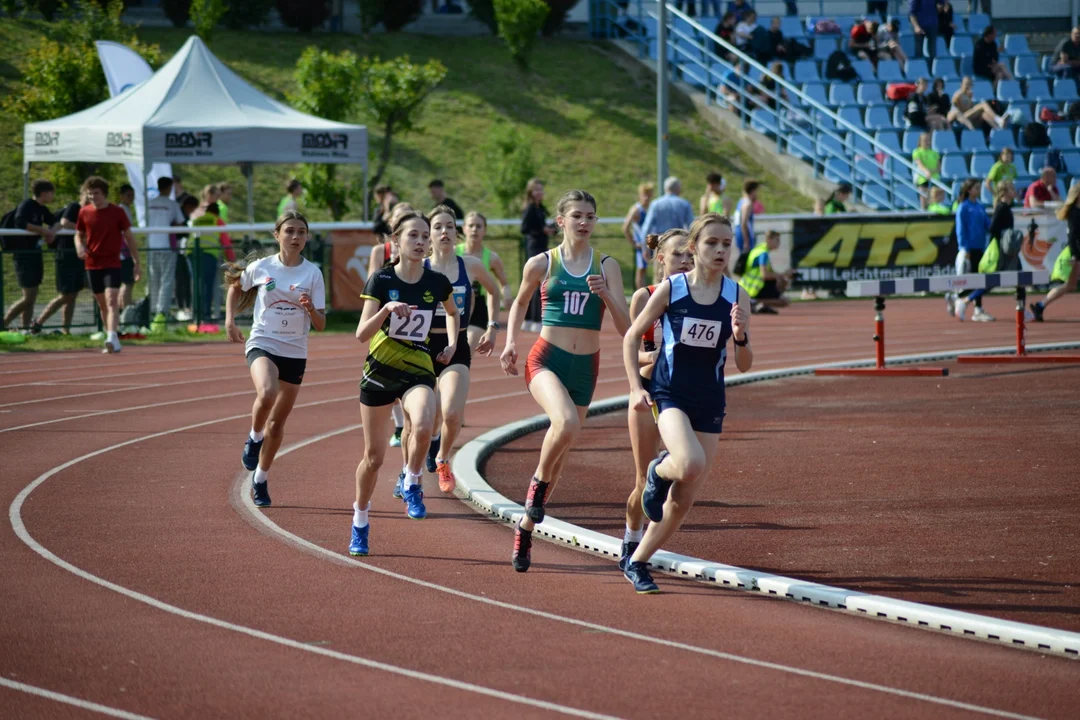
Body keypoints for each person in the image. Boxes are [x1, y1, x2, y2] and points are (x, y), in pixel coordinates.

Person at [620, 212, 753, 593]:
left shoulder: (736, 294)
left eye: (727, 244)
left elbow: (744, 364)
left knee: (685, 496)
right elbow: (631, 338)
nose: (720, 250)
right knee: (689, 463)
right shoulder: (672, 289)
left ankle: (639, 561)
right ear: (693, 249)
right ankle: (657, 471)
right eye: (712, 243)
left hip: (710, 399)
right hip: (669, 393)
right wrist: (635, 387)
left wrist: (741, 335)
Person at [500, 190, 631, 572]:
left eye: (591, 215)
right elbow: (521, 302)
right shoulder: (542, 262)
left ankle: (526, 525)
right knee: (566, 423)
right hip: (546, 359)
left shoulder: (607, 266)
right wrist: (510, 341)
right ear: (560, 221)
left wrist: (606, 295)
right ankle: (535, 489)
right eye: (577, 215)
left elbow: (627, 328)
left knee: (563, 451)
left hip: (585, 366)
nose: (584, 222)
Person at [351, 211, 460, 555]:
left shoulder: (436, 282)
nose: (421, 242)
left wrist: (453, 344)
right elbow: (360, 334)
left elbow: (454, 313)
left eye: (424, 236)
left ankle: (413, 481)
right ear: (395, 241)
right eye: (413, 235)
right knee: (373, 457)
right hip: (380, 371)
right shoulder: (380, 281)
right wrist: (386, 310)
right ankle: (360, 521)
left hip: (418, 367)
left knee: (425, 423)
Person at [225, 211, 326, 507]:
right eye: (290, 231)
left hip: (295, 350)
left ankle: (261, 479)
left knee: (278, 425)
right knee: (267, 392)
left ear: (307, 237)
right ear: (277, 235)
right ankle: (254, 437)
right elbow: (235, 287)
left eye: (302, 232)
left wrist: (310, 309)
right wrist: (230, 321)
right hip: (263, 341)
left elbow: (320, 324)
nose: (296, 237)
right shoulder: (262, 267)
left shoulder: (313, 273)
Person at [620, 228, 694, 569]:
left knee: (682, 471)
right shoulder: (644, 296)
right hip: (648, 394)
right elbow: (631, 354)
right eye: (679, 254)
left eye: (690, 255)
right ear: (661, 257)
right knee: (641, 480)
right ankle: (631, 537)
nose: (686, 260)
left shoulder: (700, 298)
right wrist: (658, 358)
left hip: (682, 397)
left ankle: (646, 546)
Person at [419, 205, 500, 493]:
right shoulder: (420, 267)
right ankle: (408, 474)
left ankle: (442, 458)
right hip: (422, 346)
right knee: (421, 419)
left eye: (449, 226)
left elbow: (495, 290)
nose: (444, 232)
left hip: (458, 345)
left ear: (457, 232)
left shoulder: (471, 265)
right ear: (429, 234)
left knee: (452, 413)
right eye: (438, 226)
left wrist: (492, 326)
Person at [366, 201, 419, 452]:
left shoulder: (420, 249)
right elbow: (371, 283)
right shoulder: (380, 251)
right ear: (392, 225)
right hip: (386, 319)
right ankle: (399, 425)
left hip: (415, 319)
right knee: (387, 373)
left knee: (411, 375)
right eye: (398, 218)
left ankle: (412, 425)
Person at [75, 176, 141, 353]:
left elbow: (129, 237)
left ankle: (112, 336)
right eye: (90, 195)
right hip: (92, 263)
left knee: (112, 300)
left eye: (96, 193)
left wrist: (137, 262)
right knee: (102, 304)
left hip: (112, 262)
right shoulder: (84, 212)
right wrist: (79, 247)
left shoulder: (117, 212)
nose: (93, 197)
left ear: (104, 193)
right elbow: (78, 234)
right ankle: (112, 336)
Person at [3, 179, 56, 332]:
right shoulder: (27, 205)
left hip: (35, 254)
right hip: (23, 255)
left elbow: (54, 221)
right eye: (52, 193)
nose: (53, 196)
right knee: (28, 297)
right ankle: (3, 324)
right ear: (44, 193)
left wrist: (52, 231)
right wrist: (44, 231)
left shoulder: (42, 209)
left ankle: (25, 329)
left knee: (32, 297)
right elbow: (20, 222)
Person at [33, 190, 87, 334]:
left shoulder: (89, 211)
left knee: (73, 294)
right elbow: (65, 223)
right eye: (88, 195)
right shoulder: (74, 207)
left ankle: (66, 329)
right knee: (66, 295)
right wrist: (84, 230)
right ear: (82, 195)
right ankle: (38, 323)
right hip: (65, 255)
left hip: (77, 256)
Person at [457, 211, 513, 350]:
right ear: (464, 228)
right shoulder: (453, 253)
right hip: (455, 304)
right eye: (471, 225)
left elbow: (503, 282)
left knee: (467, 348)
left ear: (485, 230)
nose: (474, 229)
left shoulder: (492, 258)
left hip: (479, 308)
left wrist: (507, 295)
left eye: (478, 226)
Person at [1030, 183, 1080, 321]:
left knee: (1070, 285)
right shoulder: (1075, 213)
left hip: (1076, 253)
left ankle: (1040, 305)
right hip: (1076, 253)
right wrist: (1075, 256)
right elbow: (1073, 237)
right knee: (1069, 285)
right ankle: (1040, 305)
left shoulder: (1076, 212)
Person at [947, 178, 994, 322]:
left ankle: (958, 299)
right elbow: (960, 230)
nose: (978, 190)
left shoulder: (980, 206)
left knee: (979, 279)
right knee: (975, 280)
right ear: (968, 190)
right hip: (970, 249)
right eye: (975, 188)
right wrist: (964, 248)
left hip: (980, 247)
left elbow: (988, 225)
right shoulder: (963, 207)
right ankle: (974, 307)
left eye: (979, 187)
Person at [146, 177, 187, 319]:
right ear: (169, 188)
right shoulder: (172, 204)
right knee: (166, 280)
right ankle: (161, 312)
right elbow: (181, 225)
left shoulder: (149, 204)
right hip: (167, 247)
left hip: (151, 246)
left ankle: (152, 310)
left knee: (154, 279)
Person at [190, 201, 234, 322]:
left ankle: (195, 314)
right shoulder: (217, 220)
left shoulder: (198, 220)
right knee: (207, 285)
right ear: (218, 212)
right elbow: (225, 242)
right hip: (208, 254)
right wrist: (231, 260)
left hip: (191, 253)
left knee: (196, 284)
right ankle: (206, 315)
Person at [521, 178, 555, 322]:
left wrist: (551, 228)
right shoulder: (530, 208)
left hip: (542, 245)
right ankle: (534, 317)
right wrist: (543, 230)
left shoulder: (540, 207)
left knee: (541, 279)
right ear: (530, 192)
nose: (539, 192)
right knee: (535, 278)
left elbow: (549, 220)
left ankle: (534, 316)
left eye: (541, 189)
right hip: (534, 246)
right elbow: (524, 229)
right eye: (536, 190)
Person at [740, 230, 792, 314]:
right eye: (777, 240)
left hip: (752, 286)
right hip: (753, 288)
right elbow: (764, 275)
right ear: (769, 240)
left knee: (782, 282)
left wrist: (781, 276)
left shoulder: (759, 249)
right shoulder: (763, 253)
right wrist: (783, 275)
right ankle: (753, 302)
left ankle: (758, 304)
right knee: (784, 301)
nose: (779, 243)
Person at [641, 177, 695, 246]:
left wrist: (644, 247)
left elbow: (646, 228)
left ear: (665, 188)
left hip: (660, 242)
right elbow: (691, 226)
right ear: (678, 189)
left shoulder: (655, 204)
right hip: (678, 242)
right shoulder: (685, 204)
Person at [623, 182, 655, 290]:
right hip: (641, 244)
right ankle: (641, 294)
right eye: (644, 195)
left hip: (652, 242)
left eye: (649, 195)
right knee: (641, 269)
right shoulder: (636, 209)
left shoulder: (652, 208)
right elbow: (625, 228)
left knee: (656, 268)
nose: (646, 198)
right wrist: (633, 243)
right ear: (640, 195)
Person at [174, 196, 199, 321]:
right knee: (180, 280)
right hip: (177, 252)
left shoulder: (188, 218)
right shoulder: (179, 216)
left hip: (185, 252)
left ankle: (187, 307)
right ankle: (180, 308)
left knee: (187, 280)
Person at [732, 180, 760, 272]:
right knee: (749, 261)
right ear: (753, 191)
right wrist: (747, 241)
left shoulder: (741, 201)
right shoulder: (748, 204)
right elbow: (744, 222)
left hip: (739, 233)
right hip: (745, 235)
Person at [912, 132, 941, 207]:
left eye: (928, 140)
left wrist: (931, 171)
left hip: (934, 178)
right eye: (925, 140)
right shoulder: (917, 151)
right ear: (920, 141)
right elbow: (920, 165)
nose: (927, 142)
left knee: (934, 200)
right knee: (924, 198)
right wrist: (926, 172)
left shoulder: (934, 152)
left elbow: (938, 167)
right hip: (923, 178)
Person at [988, 180, 1016, 254]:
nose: (1014, 191)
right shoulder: (1001, 207)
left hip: (1006, 246)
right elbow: (992, 228)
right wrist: (1006, 236)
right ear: (1005, 192)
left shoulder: (1007, 207)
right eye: (1012, 189)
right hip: (1001, 247)